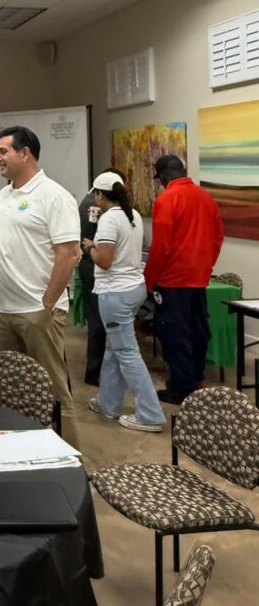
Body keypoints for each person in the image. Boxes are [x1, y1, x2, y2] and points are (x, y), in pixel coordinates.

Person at [0, 126, 82, 450]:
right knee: (6, 388)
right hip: (3, 311)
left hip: (38, 312)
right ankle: (15, 450)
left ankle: (69, 460)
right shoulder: (2, 196)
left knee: (53, 390)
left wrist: (47, 304)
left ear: (25, 154)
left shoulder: (54, 196)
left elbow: (69, 253)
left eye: (3, 151)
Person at [82, 172, 166, 433]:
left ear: (99, 195)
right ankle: (109, 403)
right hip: (133, 288)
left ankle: (150, 414)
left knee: (127, 353)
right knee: (114, 348)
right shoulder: (133, 215)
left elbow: (105, 260)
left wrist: (89, 247)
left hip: (115, 293)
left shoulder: (108, 220)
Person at [144, 154, 224, 404]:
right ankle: (195, 376)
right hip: (199, 279)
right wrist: (205, 265)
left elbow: (161, 247)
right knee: (198, 331)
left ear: (163, 176)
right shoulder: (206, 197)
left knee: (174, 334)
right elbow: (217, 237)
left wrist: (149, 281)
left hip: (172, 281)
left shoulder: (167, 199)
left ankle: (182, 387)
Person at [78, 167, 126, 386]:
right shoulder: (93, 206)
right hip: (93, 267)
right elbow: (91, 240)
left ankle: (100, 370)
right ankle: (94, 372)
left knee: (100, 321)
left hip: (97, 264)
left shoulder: (94, 202)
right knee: (97, 322)